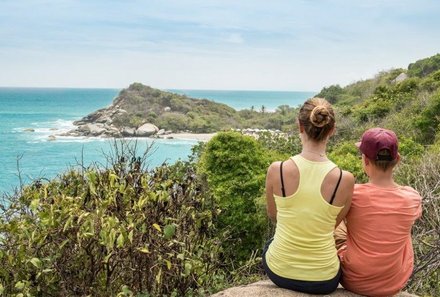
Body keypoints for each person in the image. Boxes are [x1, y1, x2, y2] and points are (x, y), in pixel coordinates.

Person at [263, 97, 355, 295]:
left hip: (279, 271)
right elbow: (333, 224)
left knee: (269, 246)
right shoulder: (344, 179)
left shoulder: (276, 170)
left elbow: (273, 215)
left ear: (299, 126)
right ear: (332, 129)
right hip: (324, 279)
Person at [337, 128, 422, 297]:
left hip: (353, 281)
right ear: (397, 159)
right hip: (393, 284)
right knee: (401, 226)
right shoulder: (412, 197)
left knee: (338, 222)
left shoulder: (354, 194)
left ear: (365, 160)